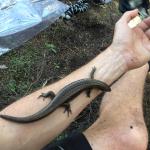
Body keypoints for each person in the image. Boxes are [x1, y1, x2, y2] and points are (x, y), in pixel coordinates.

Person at [0, 9, 150, 150]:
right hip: (59, 100)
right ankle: (142, 66)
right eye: (105, 88)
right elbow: (88, 89)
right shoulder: (92, 87)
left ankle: (141, 66)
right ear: (102, 88)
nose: (106, 89)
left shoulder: (92, 83)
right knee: (134, 136)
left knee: (133, 137)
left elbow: (92, 77)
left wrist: (118, 57)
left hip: (58, 98)